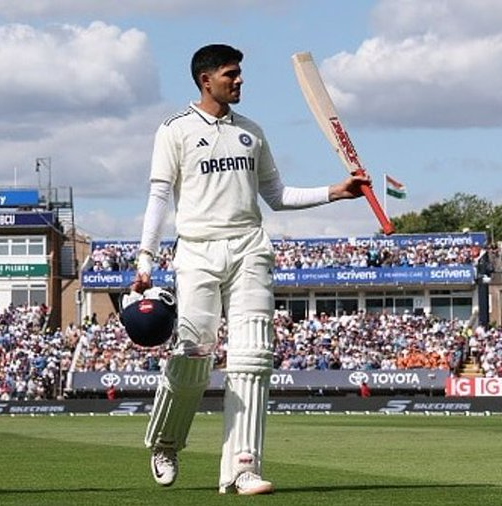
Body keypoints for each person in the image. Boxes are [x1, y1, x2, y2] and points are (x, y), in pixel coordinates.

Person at [131, 43, 369, 494]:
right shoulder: (174, 130)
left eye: (239, 74)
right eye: (230, 74)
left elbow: (276, 195)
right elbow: (159, 198)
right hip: (197, 250)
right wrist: (145, 259)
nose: (239, 81)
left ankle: (242, 468)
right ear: (206, 80)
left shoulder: (252, 133)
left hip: (250, 248)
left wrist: (336, 192)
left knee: (253, 359)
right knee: (193, 359)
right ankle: (165, 441)